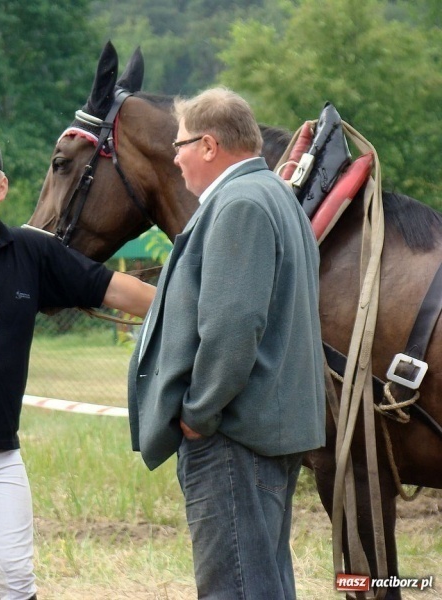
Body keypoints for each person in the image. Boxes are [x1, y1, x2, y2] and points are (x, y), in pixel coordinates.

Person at [0, 137, 156, 600]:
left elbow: (115, 289)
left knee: (15, 581)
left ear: (1, 187)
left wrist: (200, 317)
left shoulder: (32, 250)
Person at [128, 87, 326, 599]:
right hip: (260, 431)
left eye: (180, 145)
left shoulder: (239, 203)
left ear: (209, 145)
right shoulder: (275, 194)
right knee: (263, 581)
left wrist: (199, 412)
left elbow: (234, 325)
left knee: (235, 588)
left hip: (233, 437)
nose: (176, 158)